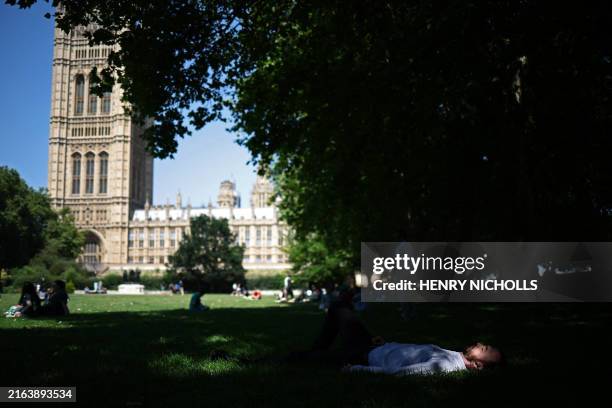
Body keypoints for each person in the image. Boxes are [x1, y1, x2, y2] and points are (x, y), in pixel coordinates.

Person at [289, 302, 505, 375]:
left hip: (363, 357)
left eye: (483, 349)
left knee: (310, 358)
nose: (478, 344)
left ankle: (306, 355)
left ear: (477, 365)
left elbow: (398, 373)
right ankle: (316, 351)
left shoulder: (445, 365)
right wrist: (387, 345)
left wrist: (357, 369)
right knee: (339, 308)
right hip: (375, 345)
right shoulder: (453, 355)